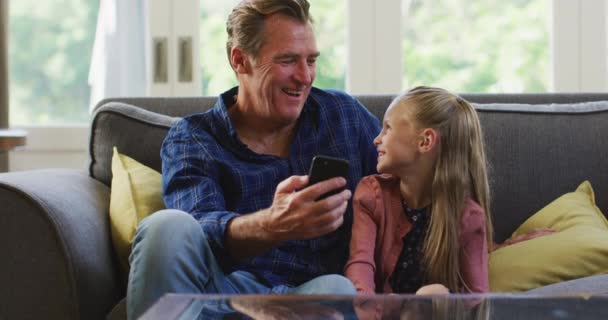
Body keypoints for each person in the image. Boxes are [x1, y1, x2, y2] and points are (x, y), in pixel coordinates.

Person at [126, 0, 380, 319]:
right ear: (241, 60)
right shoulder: (194, 138)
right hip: (220, 296)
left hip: (309, 297)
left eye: (311, 60)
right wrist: (274, 224)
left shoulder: (343, 117)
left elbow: (404, 185)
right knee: (166, 226)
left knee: (338, 290)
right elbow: (197, 231)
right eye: (288, 60)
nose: (304, 77)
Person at [345, 86, 493, 295]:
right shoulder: (371, 194)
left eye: (387, 128)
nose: (376, 139)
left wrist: (444, 302)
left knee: (435, 293)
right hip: (380, 313)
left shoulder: (469, 216)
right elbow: (360, 265)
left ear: (425, 141)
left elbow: (477, 297)